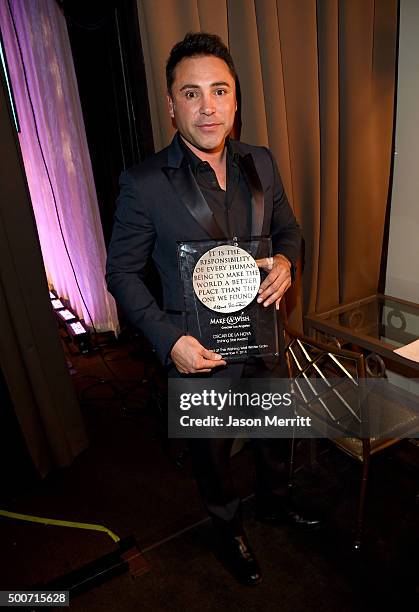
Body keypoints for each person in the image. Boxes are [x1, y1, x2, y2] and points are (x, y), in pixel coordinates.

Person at [106, 32, 320, 586]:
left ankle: (275, 502)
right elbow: (121, 274)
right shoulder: (144, 182)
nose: (209, 106)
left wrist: (287, 264)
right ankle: (228, 528)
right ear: (172, 104)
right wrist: (167, 339)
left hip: (265, 333)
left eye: (219, 91)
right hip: (196, 349)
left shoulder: (262, 162)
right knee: (213, 452)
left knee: (275, 430)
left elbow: (289, 231)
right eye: (192, 93)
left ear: (235, 100)